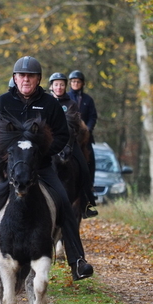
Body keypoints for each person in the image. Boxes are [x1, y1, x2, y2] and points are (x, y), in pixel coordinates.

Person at [0, 56, 95, 282]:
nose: (25, 80)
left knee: (63, 201)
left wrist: (41, 153)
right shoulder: (3, 103)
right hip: (5, 168)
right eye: (21, 76)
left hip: (40, 167)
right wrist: (0, 165)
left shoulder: (50, 104)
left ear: (38, 79)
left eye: (30, 76)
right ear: (15, 78)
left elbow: (62, 135)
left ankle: (77, 260)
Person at [49, 72, 98, 218]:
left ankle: (87, 202)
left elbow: (78, 125)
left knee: (84, 166)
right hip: (51, 143)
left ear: (65, 86)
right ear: (51, 86)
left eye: (61, 85)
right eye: (56, 84)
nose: (59, 87)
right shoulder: (47, 102)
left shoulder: (71, 104)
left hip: (70, 142)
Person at [67, 70, 98, 178]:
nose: (75, 83)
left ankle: (90, 185)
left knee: (90, 159)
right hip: (69, 135)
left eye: (78, 82)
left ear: (82, 83)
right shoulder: (66, 97)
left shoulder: (88, 100)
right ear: (70, 83)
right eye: (73, 81)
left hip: (84, 135)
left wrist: (88, 128)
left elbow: (93, 116)